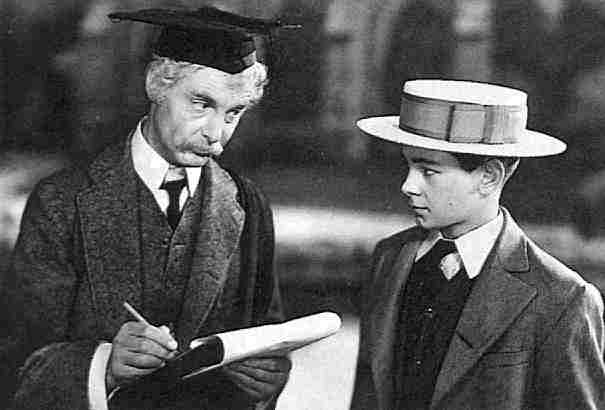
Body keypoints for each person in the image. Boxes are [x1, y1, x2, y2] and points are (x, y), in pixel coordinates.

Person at [0, 7, 294, 410]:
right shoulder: (60, 202)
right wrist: (102, 367)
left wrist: (267, 383)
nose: (216, 134)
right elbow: (17, 365)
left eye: (234, 112)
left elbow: (267, 338)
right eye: (201, 104)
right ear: (156, 84)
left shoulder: (248, 205)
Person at [351, 79, 605, 410]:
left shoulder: (563, 298)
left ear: (489, 177)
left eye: (428, 171)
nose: (408, 185)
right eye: (409, 165)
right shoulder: (390, 258)